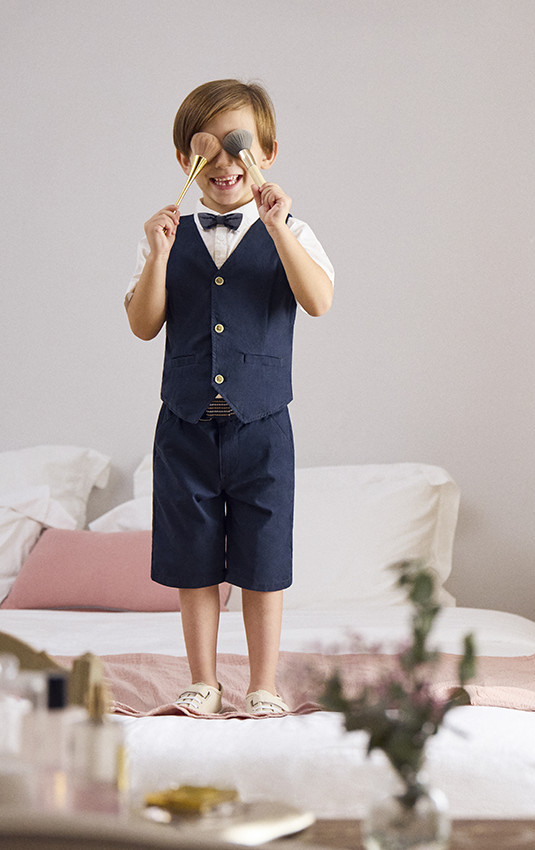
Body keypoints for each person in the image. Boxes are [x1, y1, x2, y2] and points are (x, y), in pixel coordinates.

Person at [125, 79, 334, 716]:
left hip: (263, 426)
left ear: (266, 152)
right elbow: (143, 322)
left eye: (238, 145)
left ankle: (263, 683)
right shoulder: (167, 234)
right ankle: (203, 680)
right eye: (206, 148)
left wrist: (279, 230)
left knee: (263, 557)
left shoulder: (291, 230)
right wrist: (158, 255)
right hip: (185, 423)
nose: (223, 162)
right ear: (187, 160)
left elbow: (318, 301)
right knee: (193, 557)